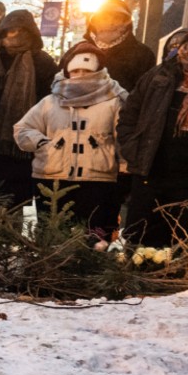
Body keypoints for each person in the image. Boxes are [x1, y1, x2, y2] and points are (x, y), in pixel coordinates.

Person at [116, 8, 188, 246]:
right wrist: (134, 150)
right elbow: (130, 113)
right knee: (140, 248)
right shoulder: (162, 75)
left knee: (187, 251)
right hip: (151, 177)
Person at [13, 40, 126, 234]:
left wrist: (124, 169)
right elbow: (22, 129)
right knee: (51, 238)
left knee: (95, 238)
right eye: (75, 71)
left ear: (98, 71)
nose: (80, 75)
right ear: (67, 72)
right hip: (52, 179)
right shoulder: (50, 102)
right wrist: (43, 144)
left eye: (87, 71)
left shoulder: (114, 102)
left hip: (98, 182)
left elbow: (123, 139)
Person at [0, 8, 58, 204]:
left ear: (30, 32)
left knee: (15, 199)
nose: (12, 35)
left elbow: (51, 101)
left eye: (18, 30)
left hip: (21, 145)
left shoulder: (42, 62)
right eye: (9, 30)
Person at [84, 0, 157, 91]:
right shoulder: (78, 51)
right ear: (95, 23)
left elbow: (145, 93)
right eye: (104, 18)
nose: (110, 23)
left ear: (126, 23)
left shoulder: (143, 54)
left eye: (117, 18)